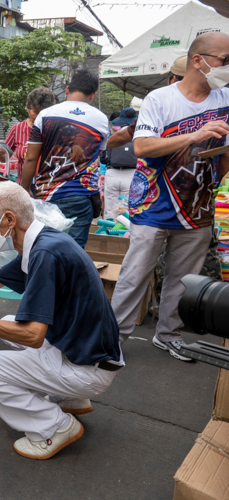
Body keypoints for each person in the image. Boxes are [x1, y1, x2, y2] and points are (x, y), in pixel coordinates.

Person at [0, 181, 123, 459]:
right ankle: (72, 399)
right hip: (95, 353)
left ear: (9, 220)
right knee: (7, 318)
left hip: (89, 369)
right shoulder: (42, 240)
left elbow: (32, 335)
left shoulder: (44, 254)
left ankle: (55, 426)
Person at [110, 32, 229, 361]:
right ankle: (112, 339)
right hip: (153, 205)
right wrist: (196, 134)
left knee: (183, 279)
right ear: (198, 61)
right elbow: (142, 147)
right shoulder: (160, 99)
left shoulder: (225, 99)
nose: (227, 67)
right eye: (223, 60)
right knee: (134, 275)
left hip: (199, 208)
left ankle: (169, 335)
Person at [20, 70, 109, 248]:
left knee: (45, 248)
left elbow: (31, 159)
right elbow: (98, 155)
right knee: (74, 252)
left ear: (67, 90)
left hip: (47, 194)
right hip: (81, 196)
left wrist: (24, 189)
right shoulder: (101, 119)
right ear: (93, 95)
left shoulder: (45, 116)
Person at [5, 87, 56, 185]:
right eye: (36, 112)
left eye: (43, 113)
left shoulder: (55, 130)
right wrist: (0, 152)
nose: (39, 116)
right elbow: (4, 157)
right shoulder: (18, 129)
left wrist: (37, 149)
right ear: (28, 109)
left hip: (47, 187)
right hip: (23, 187)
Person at [103, 107, 138, 219]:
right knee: (127, 207)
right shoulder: (139, 135)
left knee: (109, 207)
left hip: (112, 172)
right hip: (132, 173)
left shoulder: (114, 136)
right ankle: (123, 233)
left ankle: (107, 230)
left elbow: (104, 158)